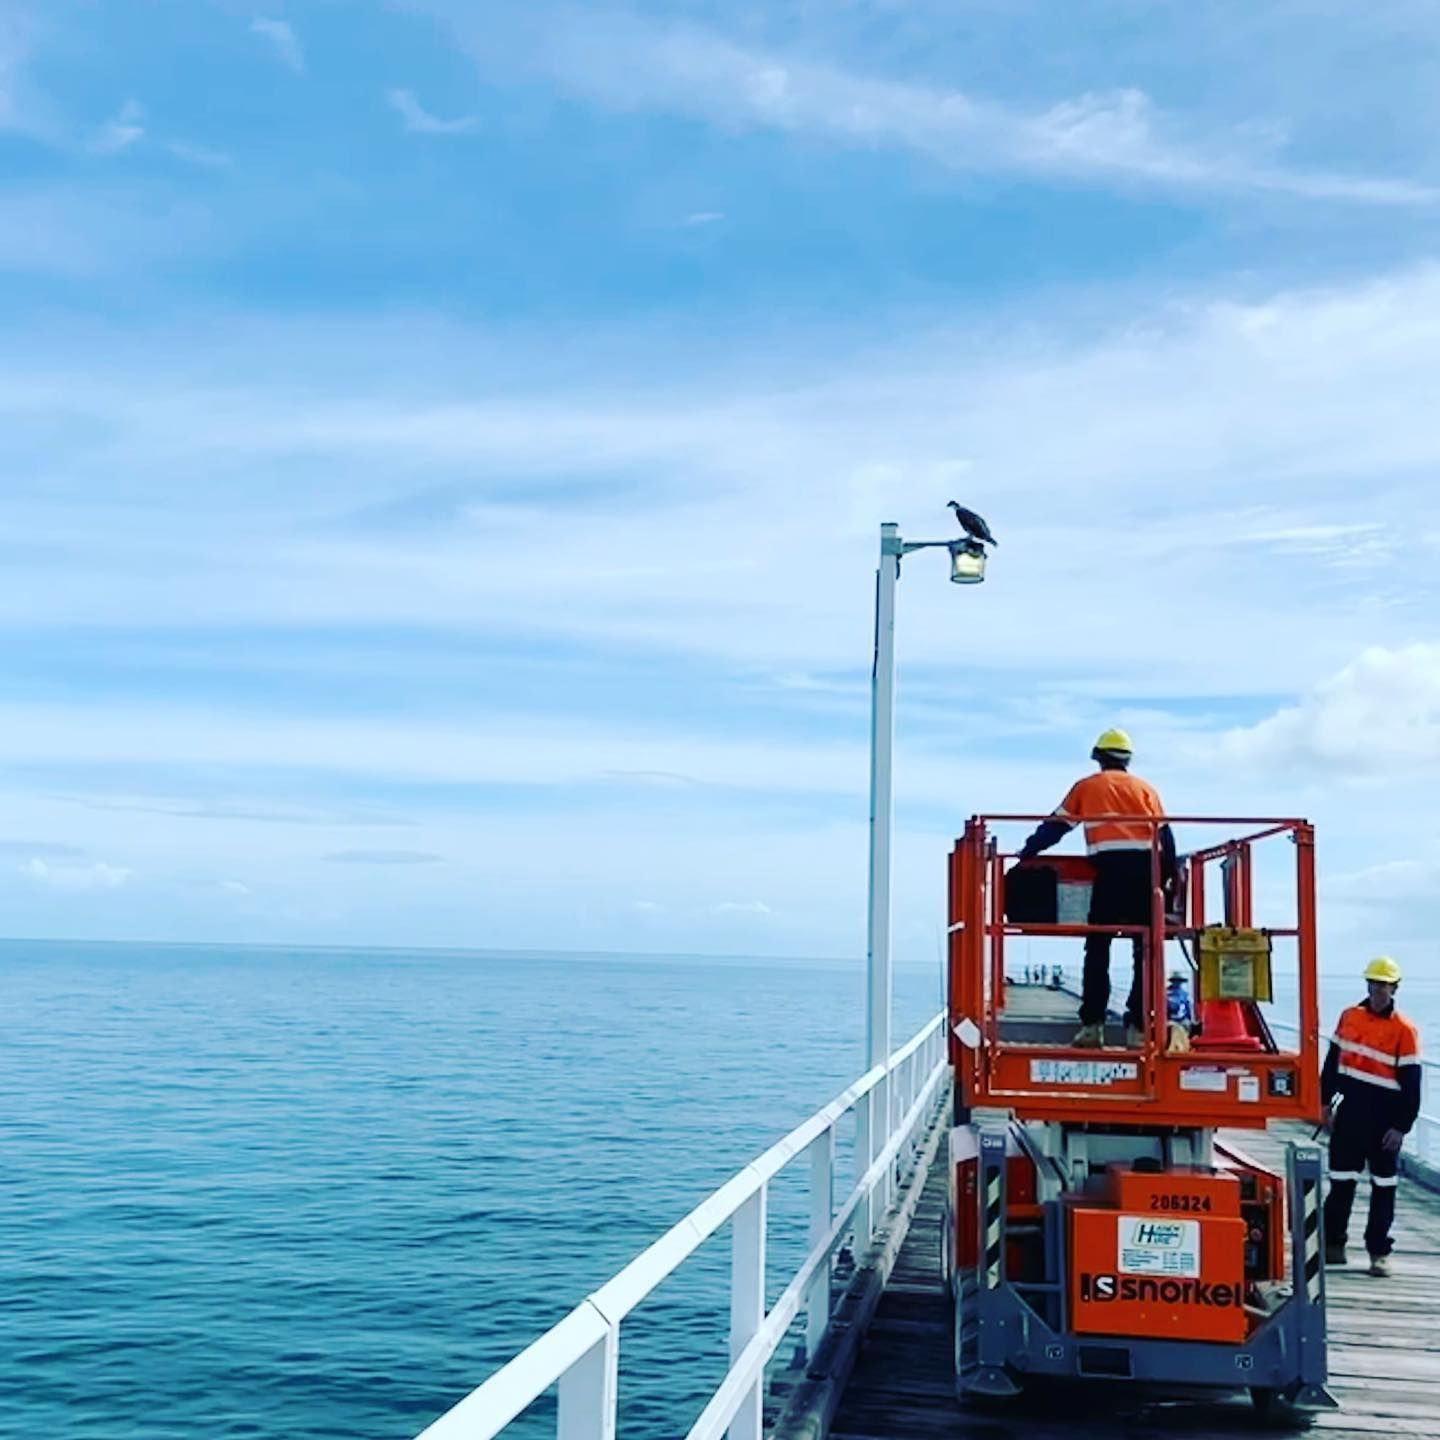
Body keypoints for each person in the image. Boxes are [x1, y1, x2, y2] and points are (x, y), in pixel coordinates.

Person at [1016, 728, 1175, 1048]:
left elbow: (1055, 827)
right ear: (1127, 759)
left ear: (1099, 758)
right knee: (1145, 951)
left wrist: (1027, 852)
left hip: (1110, 873)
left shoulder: (1087, 787)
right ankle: (1139, 1028)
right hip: (1146, 873)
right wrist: (1168, 879)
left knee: (1098, 947)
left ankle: (1093, 1026)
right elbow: (1166, 838)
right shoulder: (1147, 789)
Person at [1322, 956, 1422, 1276]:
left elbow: (1412, 1084)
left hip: (1384, 1121)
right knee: (1341, 1182)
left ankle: (1379, 1253)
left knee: (1384, 1187)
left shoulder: (1405, 1030)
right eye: (1373, 983)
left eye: (1383, 984)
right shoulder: (1349, 1017)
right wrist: (1323, 1103)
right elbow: (1332, 1062)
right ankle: (1333, 1244)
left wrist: (1401, 1127)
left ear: (1394, 988)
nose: (1378, 989)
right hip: (1350, 1112)